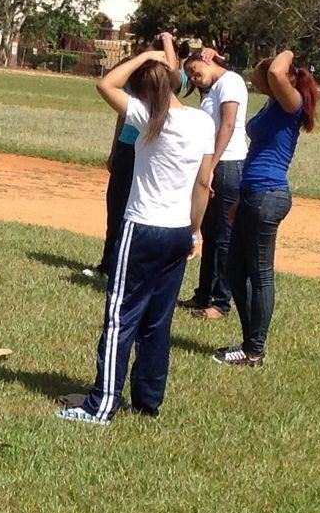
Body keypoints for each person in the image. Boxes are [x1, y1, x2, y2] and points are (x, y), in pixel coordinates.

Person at [59, 43, 215, 424]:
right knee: (157, 322)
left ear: (141, 89)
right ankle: (148, 401)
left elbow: (105, 84)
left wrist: (144, 57)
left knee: (120, 318)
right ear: (176, 84)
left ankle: (102, 405)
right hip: (178, 232)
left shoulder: (145, 116)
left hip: (141, 228)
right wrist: (195, 231)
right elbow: (204, 183)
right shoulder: (201, 122)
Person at [216, 48, 319, 367]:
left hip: (268, 195)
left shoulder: (292, 103)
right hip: (252, 193)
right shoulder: (274, 104)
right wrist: (238, 199)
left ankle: (253, 351)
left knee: (260, 275)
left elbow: (276, 72)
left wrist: (287, 51)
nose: (255, 80)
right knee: (234, 270)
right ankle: (249, 343)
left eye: (259, 76)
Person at [90, 34, 192, 280]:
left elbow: (174, 75)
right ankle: (109, 263)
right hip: (127, 145)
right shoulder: (140, 76)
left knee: (135, 208)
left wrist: (167, 42)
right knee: (116, 206)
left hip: (147, 150)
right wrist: (114, 149)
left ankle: (128, 265)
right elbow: (121, 113)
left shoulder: (170, 77)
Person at [184, 42, 250, 318]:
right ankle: (203, 295)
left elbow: (228, 125)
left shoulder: (230, 82)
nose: (195, 79)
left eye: (196, 72)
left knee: (223, 236)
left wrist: (211, 164)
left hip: (228, 164)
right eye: (190, 76)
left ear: (208, 62)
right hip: (213, 163)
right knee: (209, 232)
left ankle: (221, 302)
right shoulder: (212, 89)